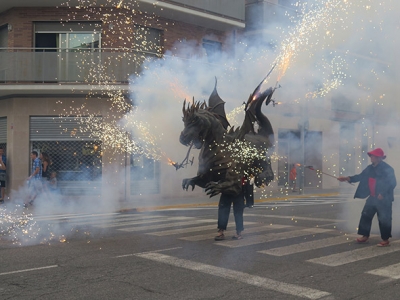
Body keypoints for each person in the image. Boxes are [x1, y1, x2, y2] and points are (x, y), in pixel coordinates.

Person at [337, 148, 396, 247]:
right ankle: (365, 236)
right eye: (371, 156)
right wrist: (347, 178)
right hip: (372, 197)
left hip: (384, 199)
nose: (371, 157)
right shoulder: (370, 168)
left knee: (384, 219)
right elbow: (360, 176)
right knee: (365, 215)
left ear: (378, 158)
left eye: (373, 156)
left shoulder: (388, 169)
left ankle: (385, 239)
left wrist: (383, 193)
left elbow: (392, 183)